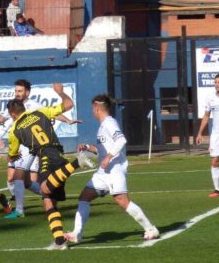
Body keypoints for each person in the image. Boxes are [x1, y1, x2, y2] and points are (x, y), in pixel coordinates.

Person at [0, 79, 81, 219]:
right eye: (16, 91)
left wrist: (66, 120)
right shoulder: (15, 106)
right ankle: (47, 197)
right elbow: (1, 118)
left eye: (20, 91)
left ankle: (20, 210)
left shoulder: (33, 106)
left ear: (27, 92)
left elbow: (53, 113)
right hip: (30, 144)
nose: (17, 94)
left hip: (32, 146)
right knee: (26, 181)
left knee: (18, 175)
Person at [6, 83, 94, 250]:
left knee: (45, 190)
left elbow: (12, 154)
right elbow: (68, 105)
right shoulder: (41, 111)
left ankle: (77, 162)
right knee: (48, 200)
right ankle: (60, 241)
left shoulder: (14, 130)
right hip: (57, 154)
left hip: (46, 157)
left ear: (13, 114)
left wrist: (12, 154)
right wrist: (60, 92)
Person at [64, 94, 160, 244]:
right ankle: (77, 233)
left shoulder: (109, 123)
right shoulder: (102, 126)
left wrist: (108, 157)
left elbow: (121, 140)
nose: (92, 111)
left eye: (92, 108)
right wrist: (88, 147)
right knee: (84, 197)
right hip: (103, 173)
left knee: (122, 201)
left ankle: (150, 228)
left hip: (115, 170)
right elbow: (101, 149)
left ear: (97, 108)